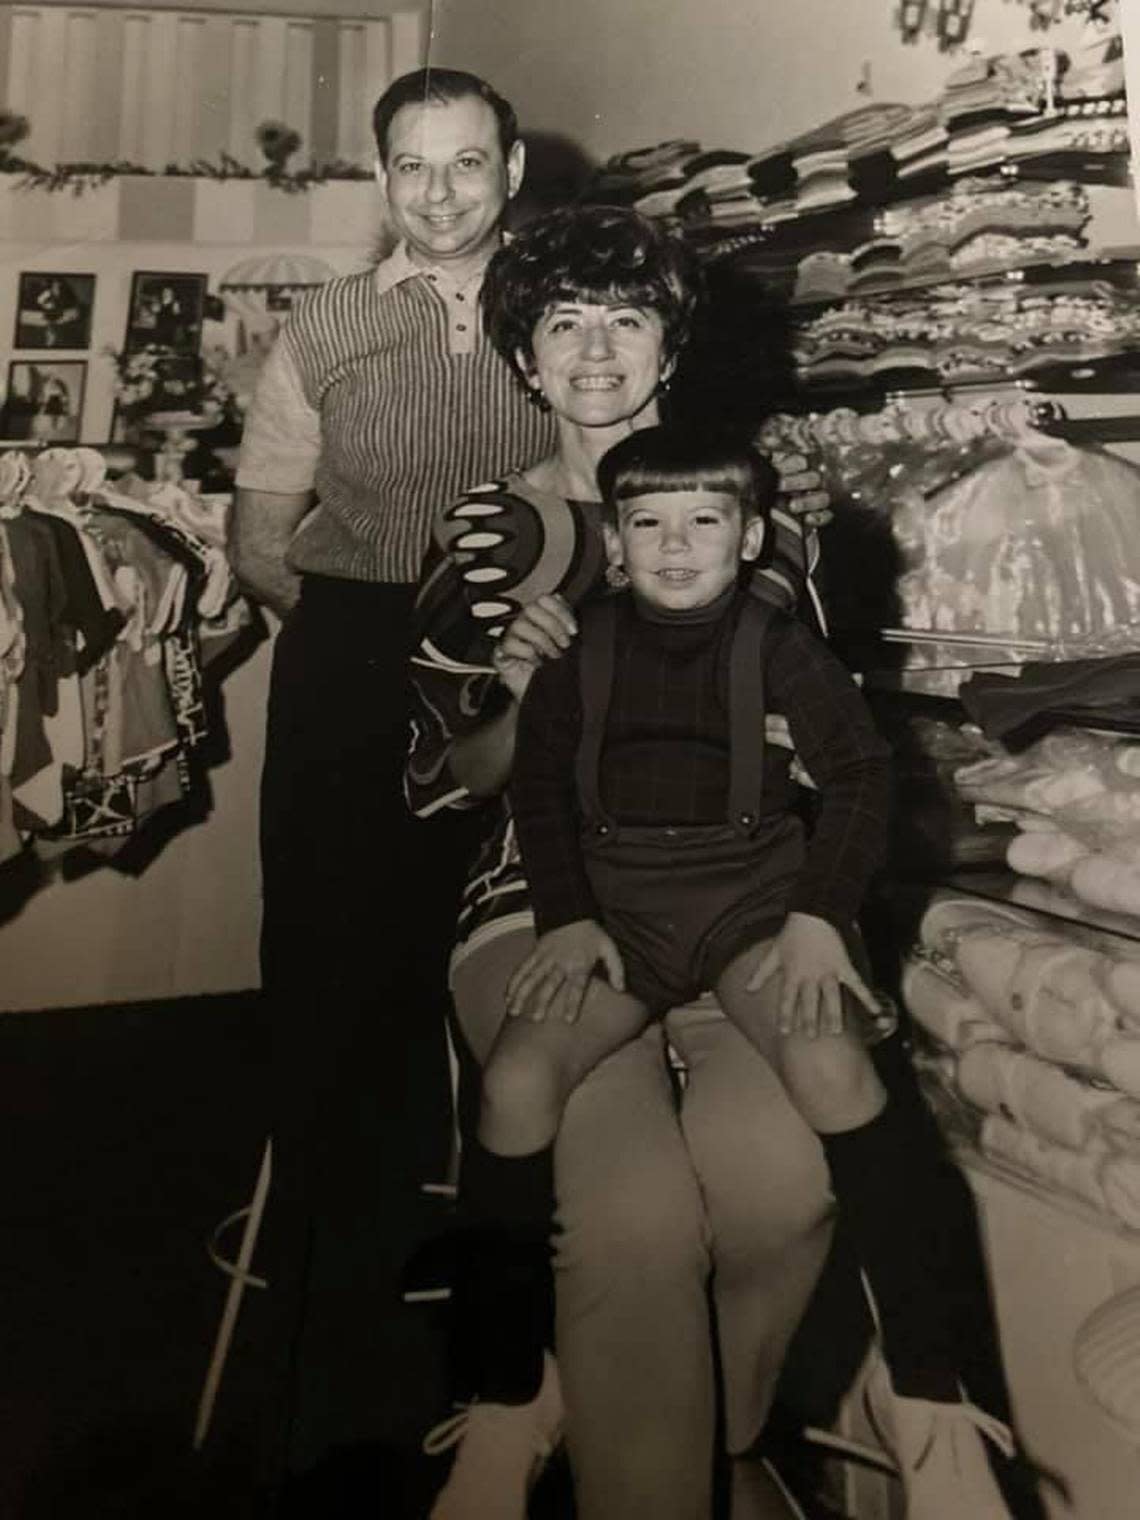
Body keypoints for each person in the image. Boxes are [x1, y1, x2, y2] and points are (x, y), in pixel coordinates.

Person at [465, 423, 1016, 1520]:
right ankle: (504, 1394)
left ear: (750, 533)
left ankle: (935, 1405)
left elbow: (860, 774)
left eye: (704, 520)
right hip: (620, 906)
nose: (676, 544)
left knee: (833, 1070)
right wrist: (568, 918)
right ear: (614, 542)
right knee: (518, 1083)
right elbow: (533, 787)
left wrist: (820, 915)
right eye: (648, 523)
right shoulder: (582, 645)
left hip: (757, 900)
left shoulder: (782, 643)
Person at [408, 204, 846, 1520]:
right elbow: (440, 788)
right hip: (538, 912)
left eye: (629, 317)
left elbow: (830, 765)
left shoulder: (772, 530)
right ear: (525, 358)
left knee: (791, 1185)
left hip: (730, 906)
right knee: (635, 1222)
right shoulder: (486, 532)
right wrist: (514, 683)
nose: (597, 347)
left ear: (671, 347)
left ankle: (727, 1431)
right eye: (564, 321)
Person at [227, 67, 554, 1488]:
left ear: (514, 170)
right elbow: (259, 538)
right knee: (327, 978)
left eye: (465, 165)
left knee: (494, 987)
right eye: (411, 169)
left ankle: (496, 1359)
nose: (438, 194)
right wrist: (381, 661)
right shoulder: (327, 324)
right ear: (382, 178)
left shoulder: (570, 321)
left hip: (525, 674)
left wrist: (499, 668)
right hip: (355, 667)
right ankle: (318, 1312)